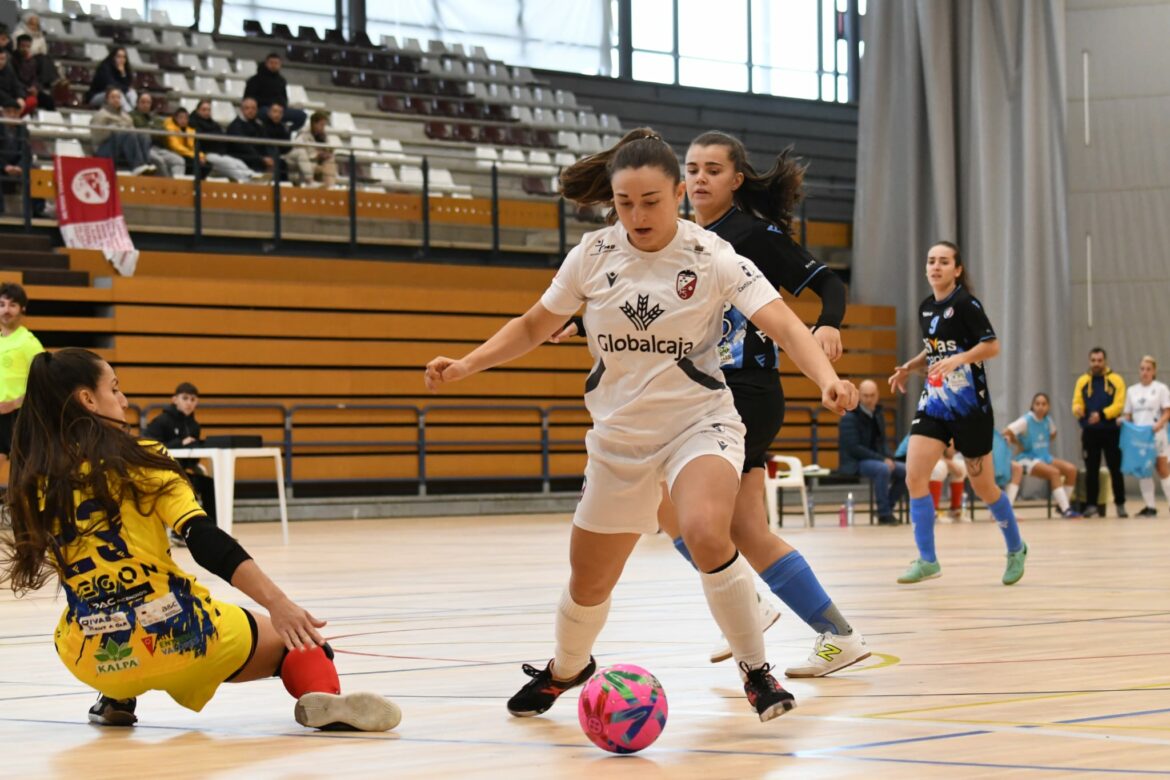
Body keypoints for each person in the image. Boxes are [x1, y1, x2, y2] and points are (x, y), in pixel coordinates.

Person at [426, 128, 859, 722]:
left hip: (700, 423)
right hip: (619, 441)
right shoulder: (593, 255)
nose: (637, 214)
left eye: (650, 201)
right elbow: (532, 324)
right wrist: (468, 363)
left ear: (677, 194)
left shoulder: (713, 255)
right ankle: (568, 668)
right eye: (624, 203)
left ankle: (757, 672)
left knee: (709, 531)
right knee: (588, 581)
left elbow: (784, 324)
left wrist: (824, 379)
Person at [554, 131, 869, 676]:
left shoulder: (747, 236)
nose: (701, 179)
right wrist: (582, 319)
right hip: (712, 391)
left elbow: (827, 286)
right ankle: (804, 621)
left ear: (735, 181)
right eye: (694, 168)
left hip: (741, 389)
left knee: (694, 514)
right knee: (711, 521)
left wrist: (829, 326)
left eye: (713, 170)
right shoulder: (673, 238)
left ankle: (810, 624)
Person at [0, 348, 401, 731]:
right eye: (116, 388)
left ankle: (116, 698)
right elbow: (203, 537)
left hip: (91, 653)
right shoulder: (143, 457)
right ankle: (320, 696)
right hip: (186, 635)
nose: (124, 399)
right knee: (298, 643)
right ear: (88, 399)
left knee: (76, 626)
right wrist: (279, 605)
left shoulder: (32, 478)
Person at [888, 241, 1027, 585]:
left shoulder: (966, 304)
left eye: (944, 262)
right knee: (915, 475)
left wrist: (961, 358)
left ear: (957, 269)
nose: (936, 267)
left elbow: (991, 345)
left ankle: (1016, 547)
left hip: (969, 408)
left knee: (985, 488)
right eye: (931, 261)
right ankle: (927, 559)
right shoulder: (925, 308)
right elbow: (934, 351)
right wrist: (909, 366)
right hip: (934, 403)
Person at [144, 382, 216, 541]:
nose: (189, 403)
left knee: (209, 484)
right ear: (175, 399)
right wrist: (180, 443)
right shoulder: (161, 421)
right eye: (185, 398)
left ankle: (212, 533)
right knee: (186, 484)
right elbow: (149, 446)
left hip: (184, 471)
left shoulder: (194, 425)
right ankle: (180, 532)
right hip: (163, 473)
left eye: (193, 399)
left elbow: (192, 458)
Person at [1003, 392, 1082, 518]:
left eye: (1044, 404)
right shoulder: (1026, 420)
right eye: (1037, 404)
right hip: (1027, 458)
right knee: (1054, 473)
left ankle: (1061, 506)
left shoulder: (1047, 420)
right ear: (1032, 406)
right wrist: (1018, 443)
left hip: (1044, 457)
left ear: (1048, 406)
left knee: (1071, 470)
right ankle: (1067, 510)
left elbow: (1053, 434)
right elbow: (1006, 432)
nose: (1040, 407)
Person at [839, 379, 906, 525]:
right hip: (855, 462)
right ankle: (884, 514)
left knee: (905, 471)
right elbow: (854, 448)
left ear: (877, 395)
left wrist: (889, 458)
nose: (869, 399)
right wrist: (882, 460)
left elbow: (882, 442)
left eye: (872, 395)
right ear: (859, 396)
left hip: (875, 459)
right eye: (865, 395)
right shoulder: (849, 417)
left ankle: (887, 507)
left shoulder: (878, 414)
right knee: (882, 469)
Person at [1072, 347, 1127, 518]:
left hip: (1111, 432)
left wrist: (1102, 414)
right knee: (1091, 470)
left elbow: (1120, 404)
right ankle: (1091, 506)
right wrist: (1078, 410)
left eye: (1099, 360)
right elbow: (1076, 402)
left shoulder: (1116, 380)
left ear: (1105, 361)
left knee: (1115, 469)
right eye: (1093, 360)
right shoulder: (1082, 381)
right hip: (1090, 433)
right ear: (1090, 361)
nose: (1096, 364)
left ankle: (1120, 504)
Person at [0, 282, 43, 474]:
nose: (6, 310)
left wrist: (15, 403)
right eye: (2, 305)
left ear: (22, 309)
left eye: (12, 305)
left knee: (25, 468)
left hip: (19, 416)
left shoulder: (29, 343)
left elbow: (44, 383)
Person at [1122, 356, 1170, 516]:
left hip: (1156, 434)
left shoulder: (1161, 388)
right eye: (1142, 369)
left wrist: (1160, 423)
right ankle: (1150, 507)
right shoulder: (1132, 390)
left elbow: (1167, 411)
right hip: (1139, 437)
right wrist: (1121, 420)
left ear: (1154, 371)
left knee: (1163, 468)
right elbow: (1128, 414)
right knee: (1143, 470)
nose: (1145, 372)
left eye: (1148, 369)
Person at [189, 99, 262, 182]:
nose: (207, 112)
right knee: (228, 164)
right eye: (204, 110)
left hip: (219, 152)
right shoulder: (193, 124)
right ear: (197, 110)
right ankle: (245, 179)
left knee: (237, 162)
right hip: (205, 154)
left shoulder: (213, 124)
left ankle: (252, 174)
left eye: (209, 110)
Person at [90, 88, 155, 175]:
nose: (116, 99)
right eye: (113, 97)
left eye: (118, 97)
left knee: (143, 135)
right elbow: (97, 137)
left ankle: (145, 163)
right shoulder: (101, 115)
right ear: (107, 99)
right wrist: (115, 129)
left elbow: (133, 132)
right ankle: (137, 165)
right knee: (124, 132)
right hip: (104, 148)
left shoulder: (126, 116)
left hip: (123, 146)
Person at [243, 53, 306, 131]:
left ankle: (285, 131)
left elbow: (284, 98)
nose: (274, 65)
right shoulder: (254, 80)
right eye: (271, 63)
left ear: (280, 65)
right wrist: (272, 105)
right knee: (265, 113)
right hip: (262, 109)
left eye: (276, 63)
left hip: (280, 109)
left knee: (301, 115)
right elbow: (248, 99)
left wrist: (280, 106)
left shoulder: (281, 81)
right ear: (266, 63)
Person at [129, 92, 184, 177]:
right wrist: (153, 131)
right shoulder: (131, 116)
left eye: (148, 102)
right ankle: (167, 185)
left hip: (158, 148)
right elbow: (140, 132)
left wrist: (152, 131)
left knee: (179, 161)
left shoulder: (156, 118)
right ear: (137, 103)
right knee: (159, 161)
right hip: (143, 148)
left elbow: (163, 132)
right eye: (143, 102)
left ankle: (178, 186)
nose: (146, 105)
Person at [226, 97, 277, 177]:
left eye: (253, 108)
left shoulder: (259, 124)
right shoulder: (235, 126)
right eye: (247, 108)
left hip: (258, 157)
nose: (251, 111)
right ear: (241, 110)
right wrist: (262, 159)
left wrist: (270, 157)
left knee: (279, 161)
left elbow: (266, 142)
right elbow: (243, 147)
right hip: (242, 157)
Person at [288, 110, 336, 188]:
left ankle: (330, 187)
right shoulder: (303, 134)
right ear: (314, 124)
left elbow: (327, 148)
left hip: (317, 163)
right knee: (303, 154)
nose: (323, 127)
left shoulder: (323, 136)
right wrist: (316, 154)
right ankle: (310, 181)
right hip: (304, 165)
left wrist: (327, 153)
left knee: (330, 159)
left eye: (324, 125)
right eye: (321, 125)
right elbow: (299, 151)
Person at [13, 34, 56, 115]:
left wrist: (35, 87)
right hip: (18, 91)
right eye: (23, 46)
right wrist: (27, 89)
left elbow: (35, 78)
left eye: (28, 46)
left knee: (49, 100)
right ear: (18, 46)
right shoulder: (13, 60)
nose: (25, 49)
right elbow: (14, 79)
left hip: (31, 90)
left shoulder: (32, 61)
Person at [163, 107, 209, 177]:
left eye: (186, 118)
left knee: (207, 164)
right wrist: (195, 156)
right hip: (175, 153)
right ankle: (192, 184)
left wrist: (201, 156)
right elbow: (175, 146)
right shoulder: (170, 128)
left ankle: (201, 184)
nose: (183, 120)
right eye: (181, 118)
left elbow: (192, 147)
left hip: (188, 153)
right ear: (175, 118)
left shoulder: (190, 130)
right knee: (193, 162)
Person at [0, 49, 25, 113]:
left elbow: (16, 84)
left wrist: (20, 97)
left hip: (11, 99)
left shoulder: (8, 69)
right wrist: (13, 102)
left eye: (3, 59)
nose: (1, 62)